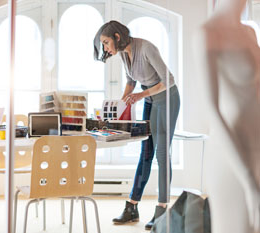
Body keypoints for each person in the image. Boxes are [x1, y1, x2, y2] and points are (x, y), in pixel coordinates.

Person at [93, 20, 180, 230]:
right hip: (150, 99)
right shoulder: (124, 53)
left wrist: (141, 95)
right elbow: (131, 82)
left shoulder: (146, 48)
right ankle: (132, 207)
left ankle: (161, 210)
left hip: (166, 98)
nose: (105, 48)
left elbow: (168, 79)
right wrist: (120, 104)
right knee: (145, 152)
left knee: (161, 154)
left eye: (105, 43)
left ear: (117, 37)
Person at [197, 0, 260, 232]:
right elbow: (212, 111)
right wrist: (249, 183)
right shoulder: (207, 34)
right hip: (231, 157)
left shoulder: (249, 31)